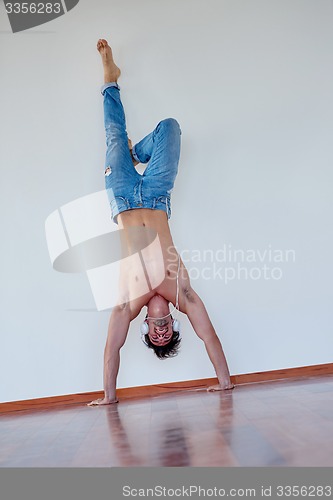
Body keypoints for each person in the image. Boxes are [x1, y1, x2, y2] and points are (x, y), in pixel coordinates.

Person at [88, 39, 234, 406]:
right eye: (166, 332)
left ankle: (110, 78)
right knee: (170, 127)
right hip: (155, 194)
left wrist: (109, 397)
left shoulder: (126, 304)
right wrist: (225, 383)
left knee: (113, 137)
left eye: (156, 334)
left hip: (121, 197)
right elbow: (210, 336)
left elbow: (111, 350)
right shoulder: (182, 294)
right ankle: (140, 152)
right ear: (172, 321)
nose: (161, 329)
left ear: (147, 327)